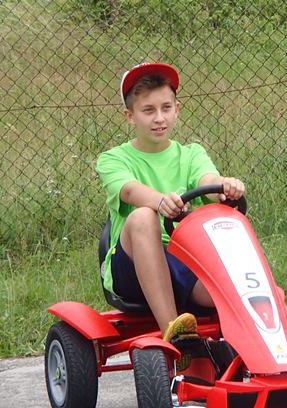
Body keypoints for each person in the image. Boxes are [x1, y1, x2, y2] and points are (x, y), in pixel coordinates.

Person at [96, 63, 245, 343]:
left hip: (184, 259)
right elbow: (129, 191)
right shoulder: (113, 159)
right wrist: (160, 201)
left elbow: (207, 180)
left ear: (177, 109)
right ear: (130, 116)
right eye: (148, 111)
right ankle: (174, 334)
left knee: (232, 291)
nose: (159, 118)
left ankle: (261, 345)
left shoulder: (191, 154)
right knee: (143, 216)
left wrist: (225, 186)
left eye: (166, 108)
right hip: (130, 267)